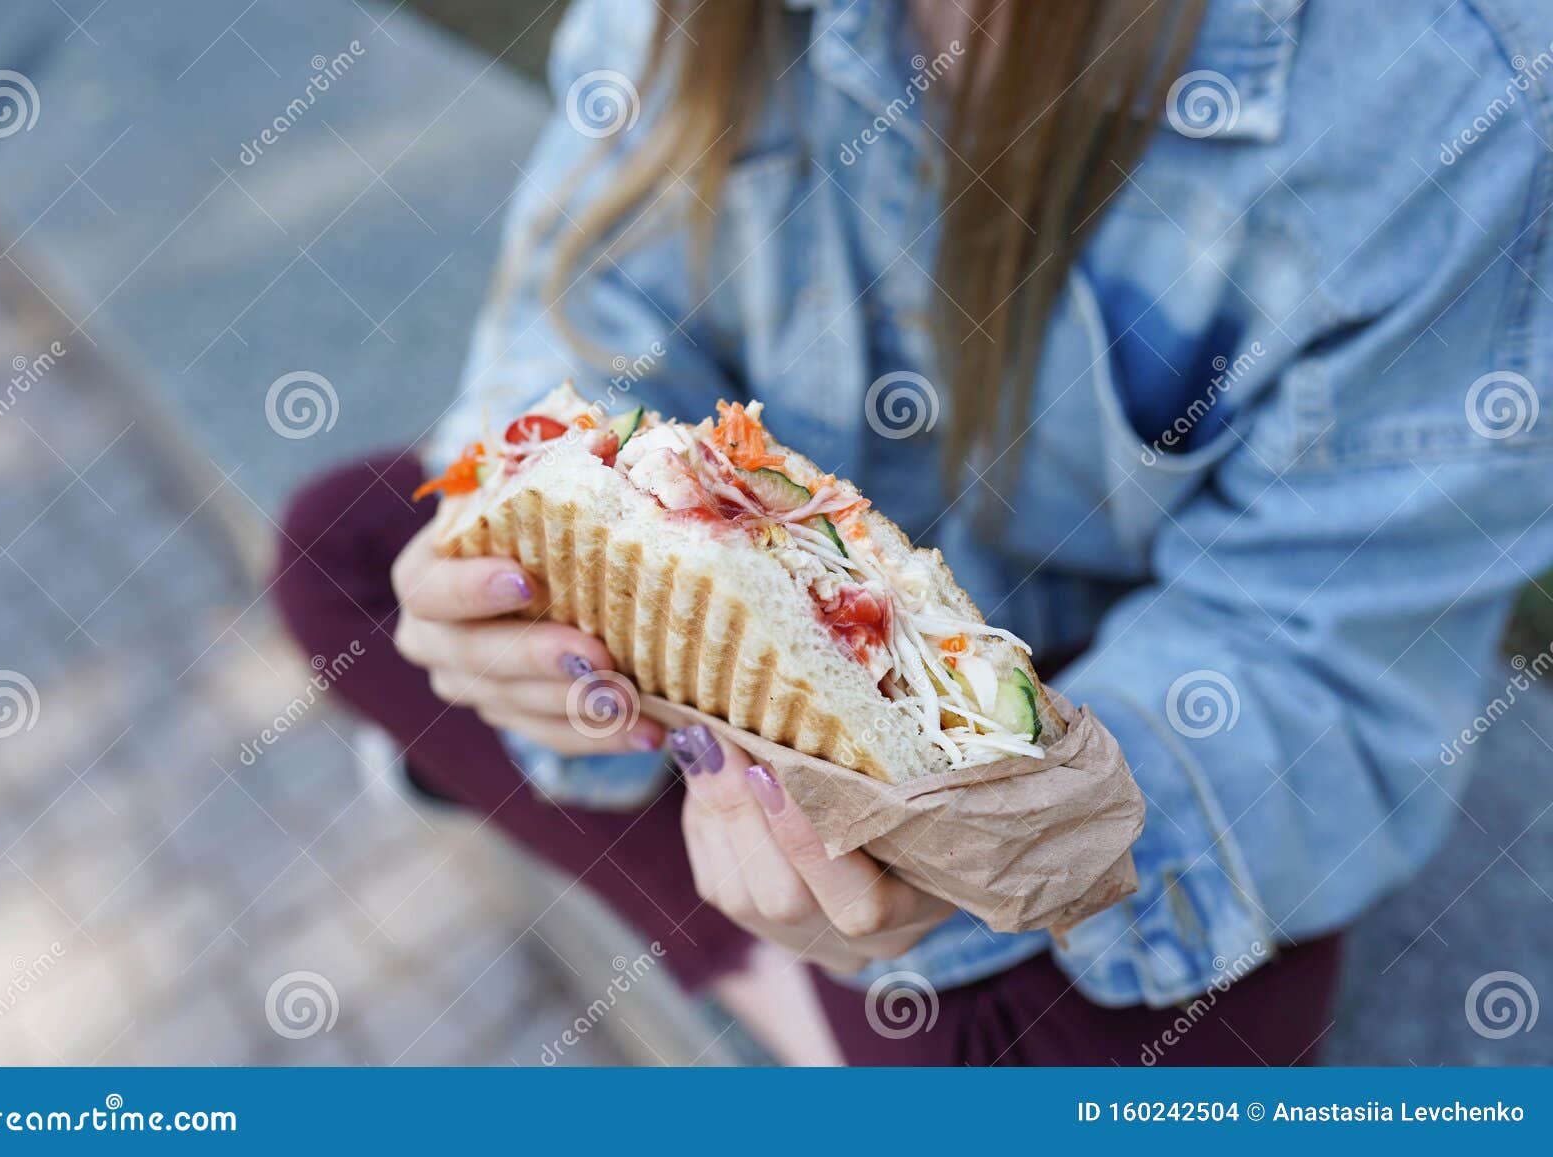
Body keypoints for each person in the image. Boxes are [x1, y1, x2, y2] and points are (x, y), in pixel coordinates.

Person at [274, 0, 1553, 1065]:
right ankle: (802, 991)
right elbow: (590, 321)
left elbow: (1310, 661)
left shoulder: (1456, 98)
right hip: (767, 706)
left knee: (1076, 1020)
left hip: (1128, 712)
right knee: (351, 551)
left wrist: (972, 861)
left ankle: (828, 989)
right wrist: (517, 617)